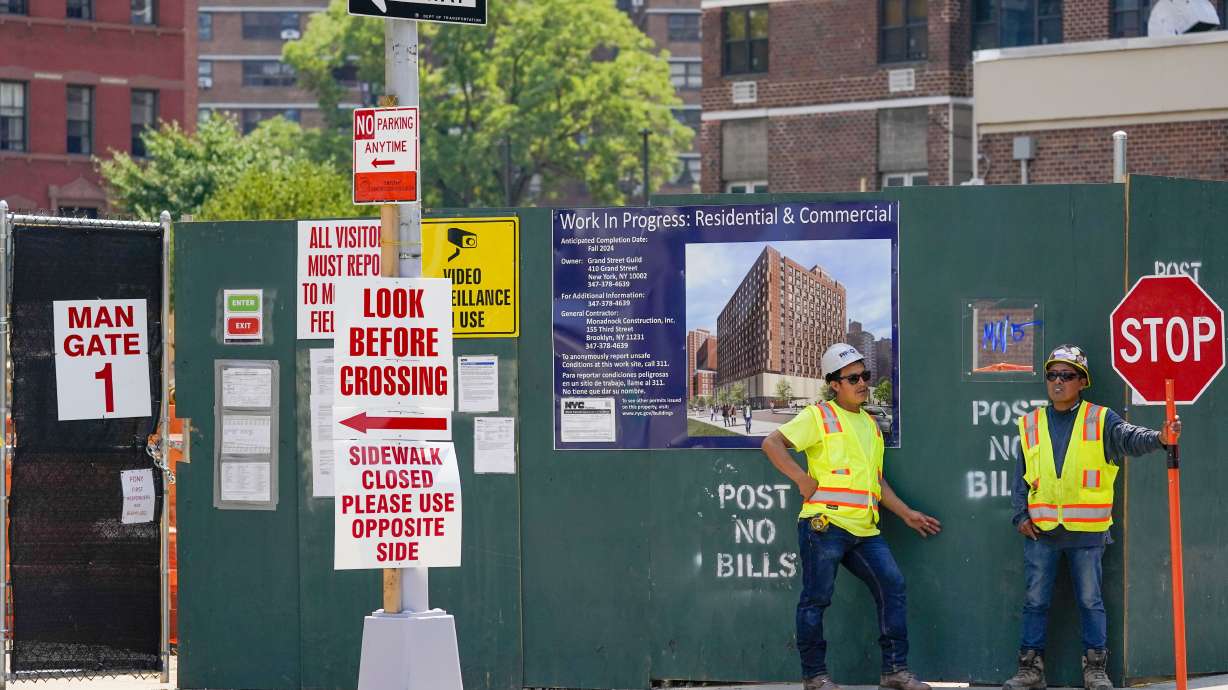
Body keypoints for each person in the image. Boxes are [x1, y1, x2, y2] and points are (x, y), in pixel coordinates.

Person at [761, 344, 941, 690]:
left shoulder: (871, 425)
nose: (863, 383)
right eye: (853, 377)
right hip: (825, 526)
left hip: (864, 529)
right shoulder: (819, 416)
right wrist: (801, 479)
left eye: (865, 375)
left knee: (893, 586)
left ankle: (894, 672)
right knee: (816, 599)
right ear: (834, 384)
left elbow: (875, 480)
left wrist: (905, 513)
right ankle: (814, 676)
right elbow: (772, 443)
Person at [1002, 345, 1181, 690]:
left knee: (1090, 601)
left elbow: (1130, 439)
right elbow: (1021, 475)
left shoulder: (1101, 419)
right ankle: (1029, 670)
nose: (1058, 381)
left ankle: (1095, 670)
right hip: (1042, 533)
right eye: (1052, 374)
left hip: (1087, 535)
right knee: (1035, 601)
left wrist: (1160, 438)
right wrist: (1020, 515)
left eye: (1067, 375)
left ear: (1082, 382)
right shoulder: (1031, 424)